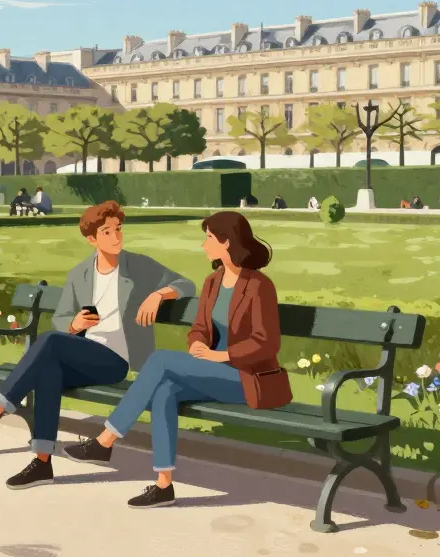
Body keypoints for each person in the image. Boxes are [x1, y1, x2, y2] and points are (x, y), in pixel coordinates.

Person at [0, 201, 194, 490]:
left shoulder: (138, 266)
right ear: (92, 239)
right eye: (106, 232)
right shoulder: (80, 274)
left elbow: (185, 284)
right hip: (85, 357)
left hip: (116, 361)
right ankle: (41, 463)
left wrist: (159, 295)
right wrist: (75, 325)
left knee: (49, 343)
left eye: (118, 229)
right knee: (48, 370)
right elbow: (63, 319)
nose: (116, 237)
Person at [62, 211, 290, 508]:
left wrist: (219, 354)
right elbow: (199, 329)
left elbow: (267, 342)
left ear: (227, 242)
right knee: (165, 390)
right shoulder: (213, 282)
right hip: (213, 372)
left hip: (249, 380)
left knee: (160, 362)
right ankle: (164, 485)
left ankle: (106, 441)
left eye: (208, 237)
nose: (203, 244)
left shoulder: (258, 285)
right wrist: (198, 343)